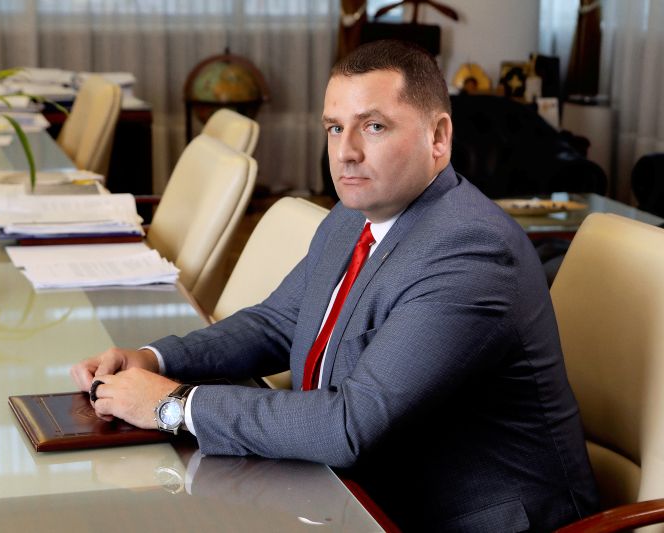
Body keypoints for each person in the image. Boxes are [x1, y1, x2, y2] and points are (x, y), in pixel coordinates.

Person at [71, 39, 599, 531]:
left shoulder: (471, 251)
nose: (346, 152)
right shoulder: (354, 214)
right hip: (343, 489)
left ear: (438, 137)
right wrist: (153, 360)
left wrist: (174, 405)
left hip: (451, 517)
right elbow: (276, 323)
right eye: (334, 128)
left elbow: (350, 424)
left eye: (374, 127)